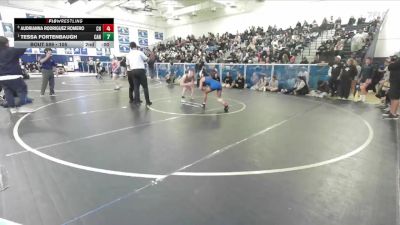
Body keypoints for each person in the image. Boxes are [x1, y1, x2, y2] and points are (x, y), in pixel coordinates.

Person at [0, 36, 33, 113]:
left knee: (8, 92)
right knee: (22, 90)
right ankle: (21, 107)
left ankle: (12, 109)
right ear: (6, 43)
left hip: (2, 77)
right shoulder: (11, 50)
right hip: (14, 75)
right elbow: (23, 48)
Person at [384, 55, 400, 119]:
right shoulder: (396, 63)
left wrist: (391, 61)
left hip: (397, 82)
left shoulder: (397, 63)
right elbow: (390, 67)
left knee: (395, 98)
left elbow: (390, 67)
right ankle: (392, 112)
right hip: (394, 81)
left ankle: (393, 113)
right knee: (393, 97)